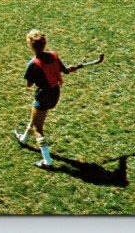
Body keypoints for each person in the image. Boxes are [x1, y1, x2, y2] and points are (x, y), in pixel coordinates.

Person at [14, 29, 101, 168]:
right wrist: (73, 68)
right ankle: (23, 139)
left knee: (38, 128)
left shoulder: (33, 64)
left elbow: (29, 85)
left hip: (43, 95)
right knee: (36, 119)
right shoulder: (54, 56)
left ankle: (47, 161)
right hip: (55, 93)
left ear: (30, 46)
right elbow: (65, 70)